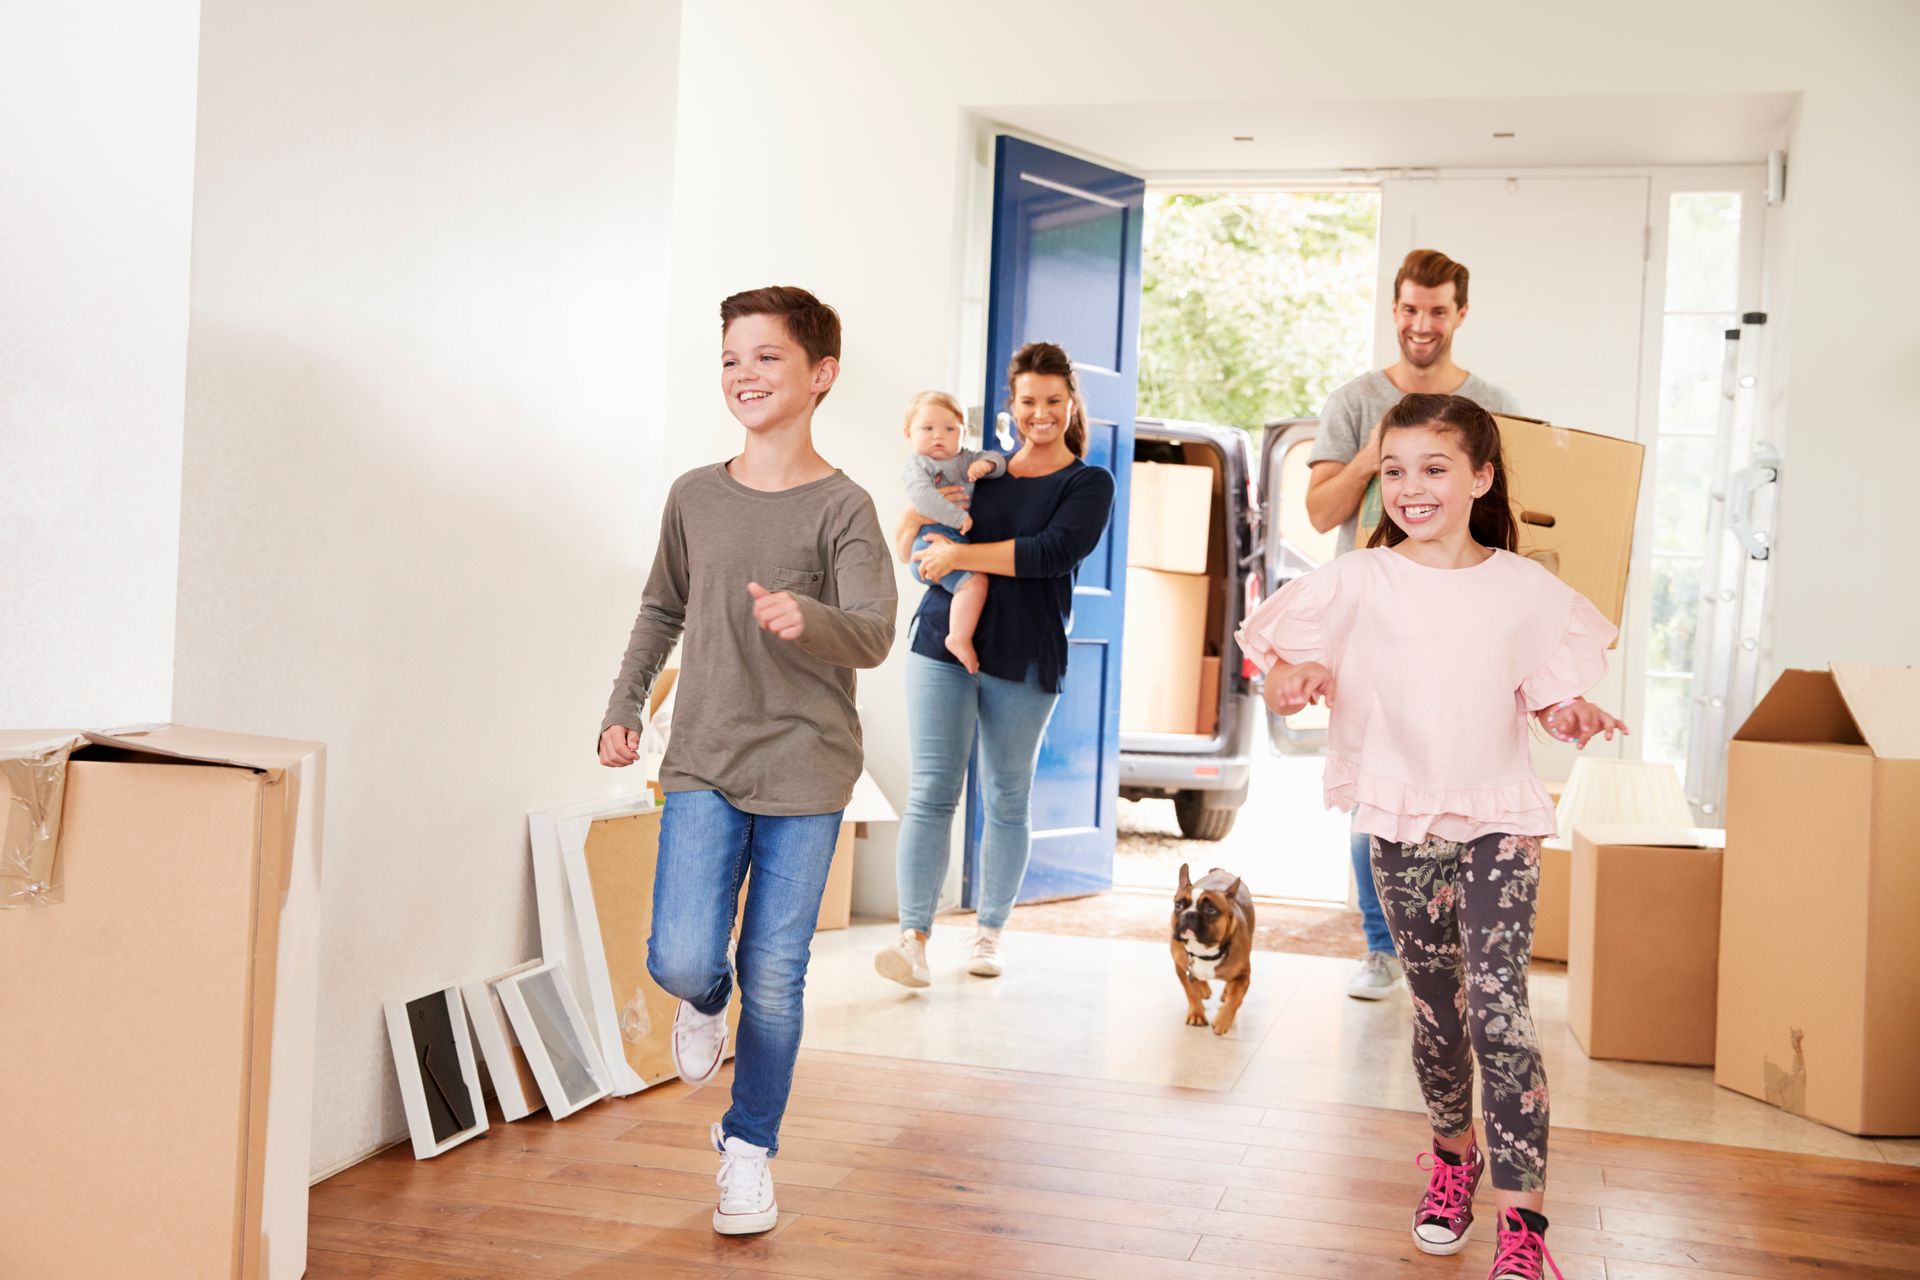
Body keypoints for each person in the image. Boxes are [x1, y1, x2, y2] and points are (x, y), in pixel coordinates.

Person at [1238, 393, 1624, 1280]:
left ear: (1481, 478)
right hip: (1403, 827)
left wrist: (1571, 712)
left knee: (1499, 1013)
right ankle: (1454, 1160)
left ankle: (1523, 1227)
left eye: (1435, 469)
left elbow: (1545, 690)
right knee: (1440, 1015)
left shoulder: (1526, 591)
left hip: (1497, 822)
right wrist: (1292, 678)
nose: (1412, 488)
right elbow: (1284, 660)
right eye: (1397, 469)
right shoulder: (1359, 581)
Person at [597, 285, 895, 1237]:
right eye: (731, 357)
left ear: (822, 375)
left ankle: (749, 1149)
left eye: (767, 357)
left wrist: (808, 619)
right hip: (706, 755)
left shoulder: (845, 506)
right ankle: (706, 999)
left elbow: (876, 635)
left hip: (808, 766)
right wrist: (622, 708)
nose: (745, 374)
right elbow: (660, 608)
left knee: (779, 970)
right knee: (681, 954)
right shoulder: (695, 494)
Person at [1307, 248, 1519, 1001]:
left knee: (1458, 777)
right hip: (1371, 621)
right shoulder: (1354, 400)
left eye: (1436, 310)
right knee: (1377, 786)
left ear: (1460, 314)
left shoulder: (1491, 402)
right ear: (1392, 310)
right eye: (1407, 309)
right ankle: (1381, 948)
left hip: (1463, 623)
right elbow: (1322, 513)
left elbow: (1507, 516)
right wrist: (1373, 458)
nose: (1420, 324)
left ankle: (1445, 946)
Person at [873, 341, 1114, 988]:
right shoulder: (982, 472)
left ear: (1070, 404)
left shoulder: (1087, 483)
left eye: (1053, 401)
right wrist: (915, 536)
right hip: (940, 641)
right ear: (1010, 406)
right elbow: (914, 527)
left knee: (1006, 798)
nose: (1040, 413)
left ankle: (988, 934)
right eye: (1028, 401)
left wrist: (960, 558)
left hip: (1025, 649)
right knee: (931, 792)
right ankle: (913, 939)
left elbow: (1049, 553)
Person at [900, 389, 1006, 674]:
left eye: (949, 429)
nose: (938, 436)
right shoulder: (917, 464)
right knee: (975, 583)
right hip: (929, 543)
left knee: (973, 581)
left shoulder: (963, 459)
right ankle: (958, 637)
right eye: (928, 428)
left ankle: (959, 634)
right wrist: (957, 517)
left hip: (955, 541)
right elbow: (922, 498)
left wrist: (988, 465)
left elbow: (998, 459)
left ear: (963, 432)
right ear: (908, 433)